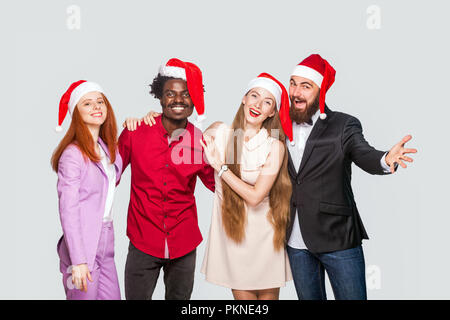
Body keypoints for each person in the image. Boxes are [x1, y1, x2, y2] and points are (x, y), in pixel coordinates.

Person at [133, 73, 294, 300]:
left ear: (272, 112)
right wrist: (153, 117)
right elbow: (179, 135)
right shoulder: (219, 133)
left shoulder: (274, 146)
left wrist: (220, 167)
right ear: (244, 99)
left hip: (266, 236)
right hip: (234, 233)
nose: (258, 104)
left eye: (267, 102)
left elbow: (256, 196)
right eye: (254, 96)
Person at [283, 54, 418, 300]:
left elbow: (363, 153)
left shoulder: (344, 124)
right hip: (295, 240)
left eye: (306, 86)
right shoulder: (280, 124)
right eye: (293, 83)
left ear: (321, 90)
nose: (296, 92)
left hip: (338, 238)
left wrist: (385, 159)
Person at [118, 58, 215, 300]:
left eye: (185, 94)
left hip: (184, 241)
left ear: (194, 100)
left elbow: (219, 186)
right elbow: (107, 176)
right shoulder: (135, 132)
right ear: (160, 98)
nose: (178, 100)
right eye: (170, 94)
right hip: (143, 241)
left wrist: (221, 154)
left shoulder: (200, 141)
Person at [52, 80, 122, 300]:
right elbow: (68, 210)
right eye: (88, 104)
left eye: (100, 102)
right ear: (76, 112)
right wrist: (78, 260)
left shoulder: (107, 148)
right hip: (81, 244)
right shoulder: (72, 154)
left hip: (106, 238)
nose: (96, 107)